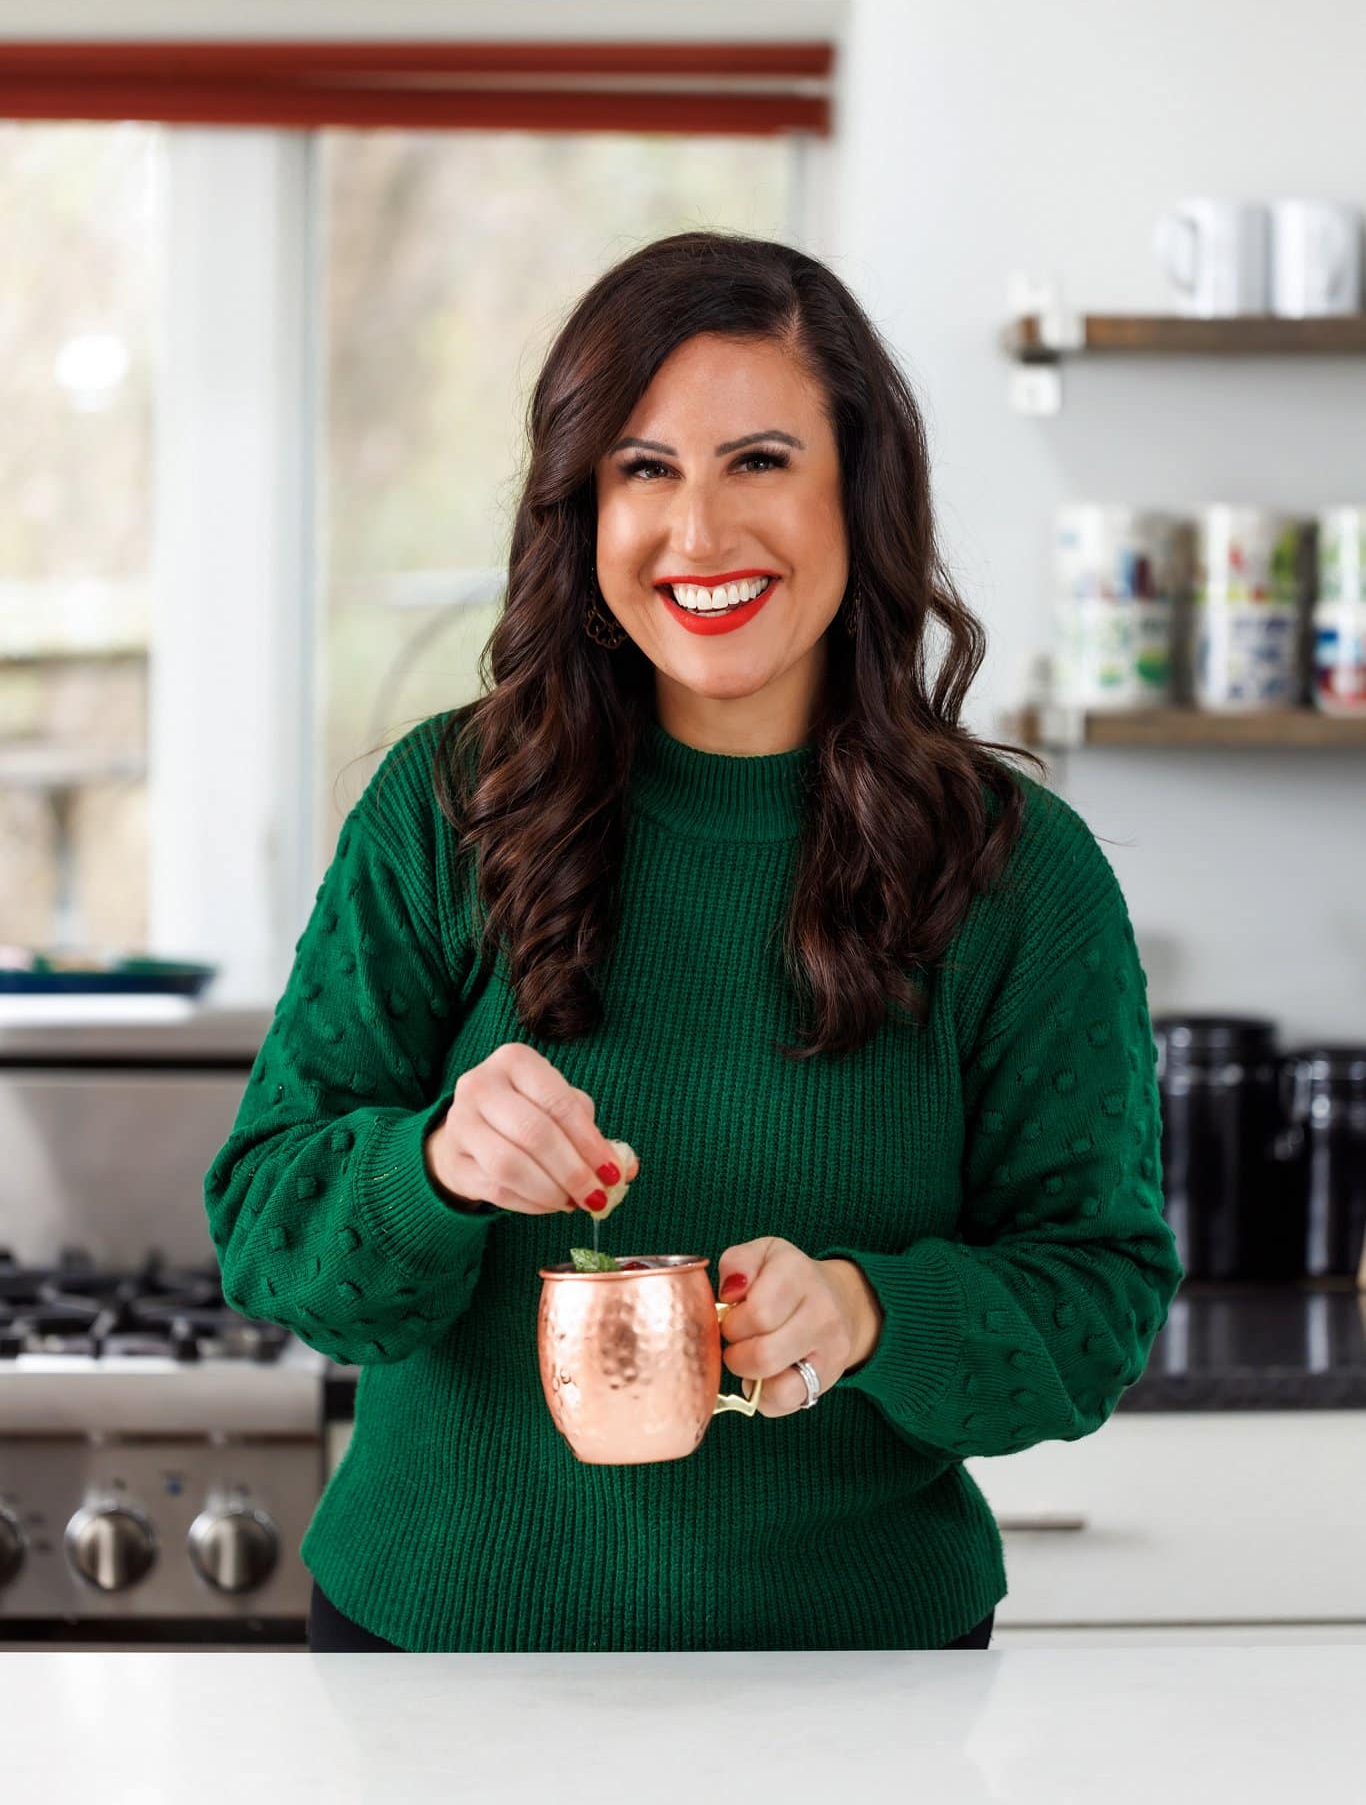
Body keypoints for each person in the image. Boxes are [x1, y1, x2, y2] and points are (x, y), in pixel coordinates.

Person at [205, 230, 1183, 1653]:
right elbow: (267, 1230)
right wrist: (429, 1168)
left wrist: (865, 1313)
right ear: (580, 508)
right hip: (437, 1661)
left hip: (857, 1681)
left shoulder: (1017, 875)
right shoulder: (445, 806)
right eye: (644, 469)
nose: (700, 535)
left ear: (862, 488)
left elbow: (1095, 1301)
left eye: (761, 463)